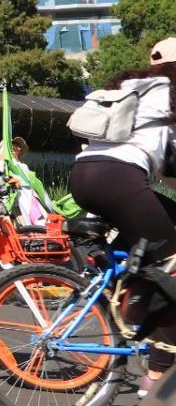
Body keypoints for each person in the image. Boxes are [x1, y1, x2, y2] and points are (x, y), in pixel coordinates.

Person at [68, 37, 176, 398]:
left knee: (155, 245)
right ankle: (160, 374)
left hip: (83, 175)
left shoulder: (133, 87)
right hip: (119, 179)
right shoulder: (170, 94)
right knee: (170, 268)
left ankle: (125, 280)